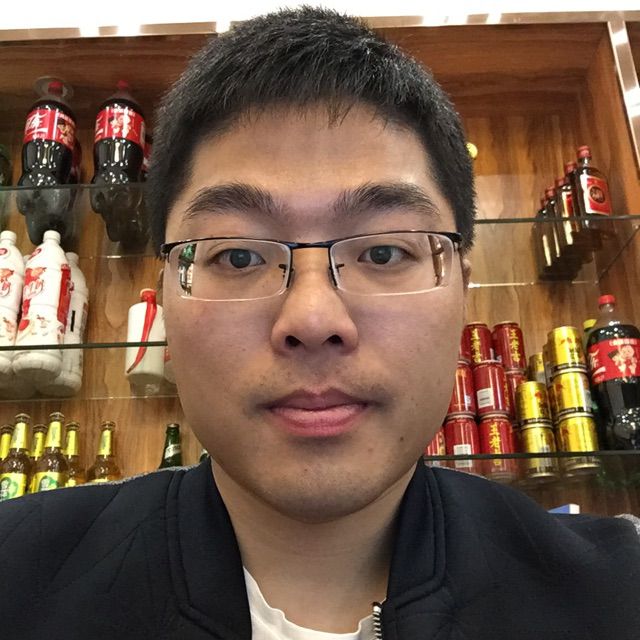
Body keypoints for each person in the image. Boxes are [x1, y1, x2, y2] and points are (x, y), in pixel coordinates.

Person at [1, 7, 639, 640]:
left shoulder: (615, 594)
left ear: (462, 291)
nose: (312, 319)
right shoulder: (18, 580)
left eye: (383, 252)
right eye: (238, 256)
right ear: (165, 294)